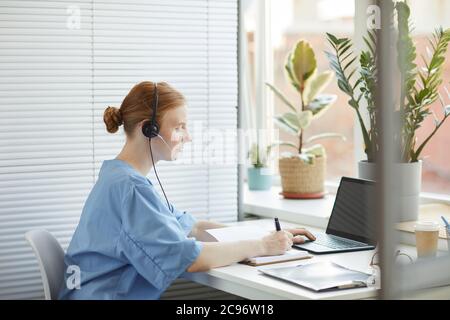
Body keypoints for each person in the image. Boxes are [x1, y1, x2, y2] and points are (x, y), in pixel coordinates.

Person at [58, 81, 316, 299]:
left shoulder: (119, 175)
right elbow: (190, 259)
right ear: (149, 129)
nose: (188, 136)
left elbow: (192, 227)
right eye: (179, 126)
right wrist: (261, 246)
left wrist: (266, 234)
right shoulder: (131, 188)